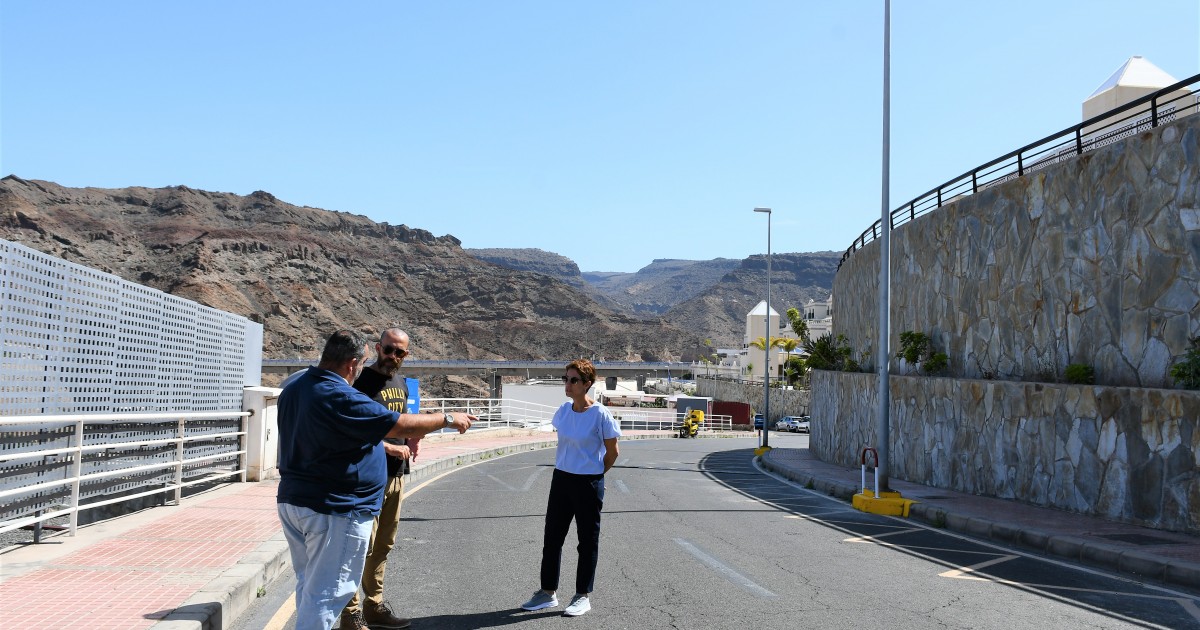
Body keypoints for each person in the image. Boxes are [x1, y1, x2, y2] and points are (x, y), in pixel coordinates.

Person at [277, 330, 475, 630]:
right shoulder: (340, 394)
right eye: (363, 363)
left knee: (311, 587)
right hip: (334, 508)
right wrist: (447, 418)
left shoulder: (295, 387)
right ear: (352, 364)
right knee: (329, 594)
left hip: (298, 500)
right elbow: (396, 424)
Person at [520, 359, 621, 617]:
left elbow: (613, 453)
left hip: (588, 482)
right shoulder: (563, 411)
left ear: (587, 384)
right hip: (561, 479)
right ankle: (547, 593)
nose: (567, 384)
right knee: (552, 539)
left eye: (574, 380)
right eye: (566, 378)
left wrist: (596, 476)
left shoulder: (600, 415)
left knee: (586, 542)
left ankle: (582, 595)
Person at [339, 328, 418, 630]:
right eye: (388, 350)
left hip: (395, 477)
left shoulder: (401, 383)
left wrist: (412, 439)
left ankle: (374, 607)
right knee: (361, 547)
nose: (392, 357)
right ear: (378, 347)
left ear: (405, 355)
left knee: (384, 545)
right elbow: (353, 429)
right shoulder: (361, 384)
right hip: (367, 479)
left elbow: (400, 420)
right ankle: (351, 615)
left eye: (399, 352)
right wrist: (387, 446)